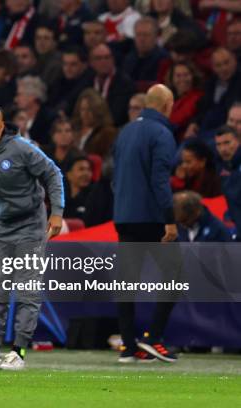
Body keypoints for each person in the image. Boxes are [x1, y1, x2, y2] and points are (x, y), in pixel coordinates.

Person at [0, 107, 63, 370]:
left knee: (27, 290)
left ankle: (18, 351)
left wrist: (57, 213)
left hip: (29, 225)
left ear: (2, 125)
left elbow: (53, 173)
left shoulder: (22, 148)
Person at [112, 84, 179, 363]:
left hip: (124, 216)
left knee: (127, 283)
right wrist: (170, 220)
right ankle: (153, 338)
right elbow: (160, 180)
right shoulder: (162, 133)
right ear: (167, 104)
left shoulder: (126, 131)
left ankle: (129, 346)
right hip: (151, 218)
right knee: (175, 275)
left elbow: (115, 176)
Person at [215, 125, 241, 237]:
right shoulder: (223, 166)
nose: (223, 149)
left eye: (227, 143)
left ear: (239, 141)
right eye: (218, 145)